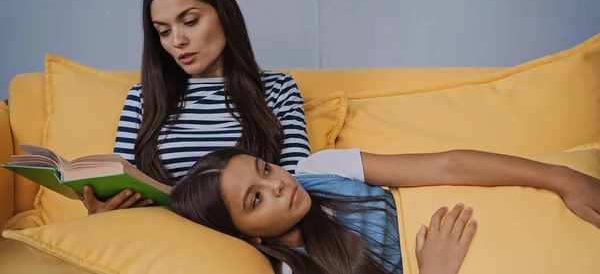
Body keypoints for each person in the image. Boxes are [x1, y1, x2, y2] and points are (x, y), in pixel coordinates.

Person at [78, 0, 311, 214]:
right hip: (157, 240)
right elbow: (122, 191)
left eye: (190, 22)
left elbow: (296, 189)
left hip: (247, 244)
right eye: (164, 31)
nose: (177, 41)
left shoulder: (278, 89)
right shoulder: (142, 98)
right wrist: (103, 212)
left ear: (224, 15)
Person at [169, 147, 600, 274]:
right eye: (256, 199)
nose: (279, 183)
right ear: (250, 238)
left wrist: (563, 178)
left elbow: (445, 165)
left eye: (265, 168)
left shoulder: (320, 169)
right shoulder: (295, 271)